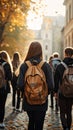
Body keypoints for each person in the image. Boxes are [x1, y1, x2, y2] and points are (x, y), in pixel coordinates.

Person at [17, 41, 54, 130]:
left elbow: (20, 84)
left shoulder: (24, 66)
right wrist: (43, 93)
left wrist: (28, 92)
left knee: (31, 121)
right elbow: (51, 85)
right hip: (42, 101)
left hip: (28, 100)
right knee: (39, 124)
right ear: (41, 51)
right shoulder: (45, 66)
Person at [54, 47, 73, 130]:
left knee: (62, 112)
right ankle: (69, 127)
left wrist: (55, 92)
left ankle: (65, 127)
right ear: (72, 55)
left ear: (65, 53)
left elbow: (56, 80)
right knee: (69, 111)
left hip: (62, 92)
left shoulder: (60, 66)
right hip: (72, 92)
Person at [0, 50, 12, 128]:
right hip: (3, 88)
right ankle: (1, 122)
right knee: (2, 105)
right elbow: (10, 77)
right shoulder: (7, 65)